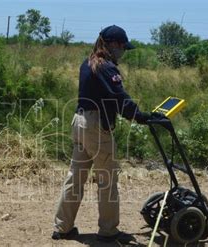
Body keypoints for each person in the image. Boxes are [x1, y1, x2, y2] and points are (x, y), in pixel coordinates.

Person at [52, 25, 164, 243]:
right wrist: (142, 117)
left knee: (75, 178)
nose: (123, 51)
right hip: (95, 126)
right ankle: (108, 231)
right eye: (123, 47)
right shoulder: (106, 67)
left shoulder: (88, 62)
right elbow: (119, 98)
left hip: (79, 121)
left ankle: (62, 227)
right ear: (113, 44)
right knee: (107, 180)